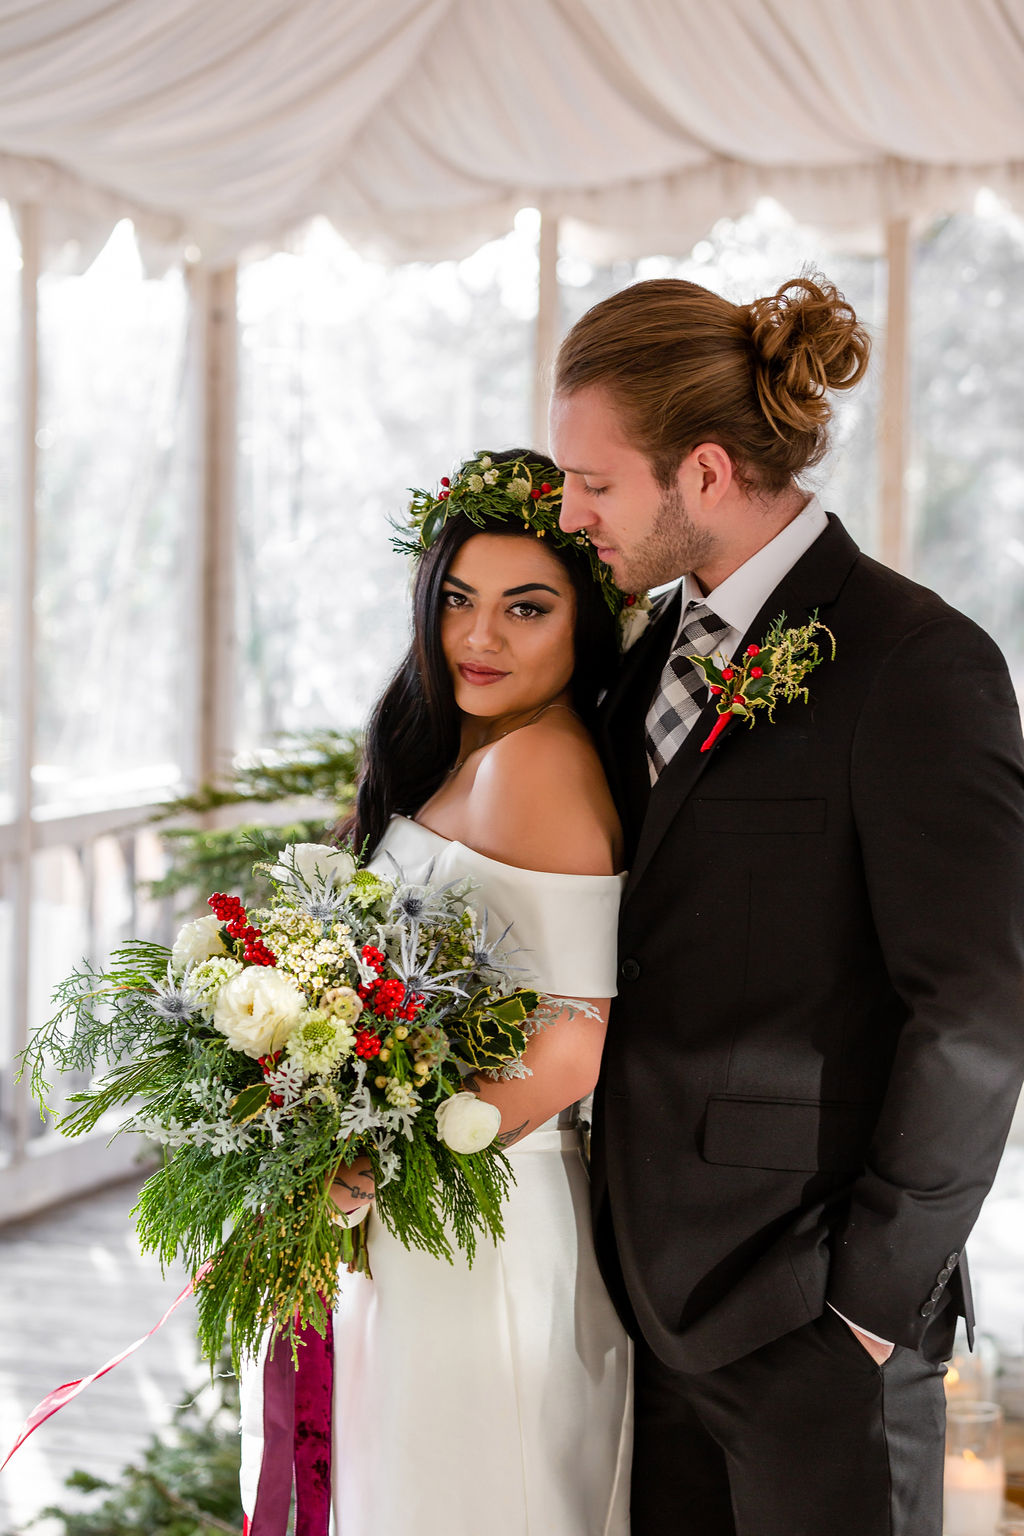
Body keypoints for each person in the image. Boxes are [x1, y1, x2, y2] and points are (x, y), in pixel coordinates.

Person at [549, 274, 1024, 1536]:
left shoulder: (917, 664)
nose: (568, 511)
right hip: (643, 1304)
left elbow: (975, 1013)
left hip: (814, 1322)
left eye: (593, 483)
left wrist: (864, 1311)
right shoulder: (645, 655)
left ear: (702, 473)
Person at [238, 451, 633, 1535]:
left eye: (525, 608)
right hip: (430, 1216)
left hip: (480, 1222)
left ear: (583, 625)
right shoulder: (476, 752)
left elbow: (573, 1044)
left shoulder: (538, 766)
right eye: (458, 600)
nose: (478, 637)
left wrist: (370, 1163)